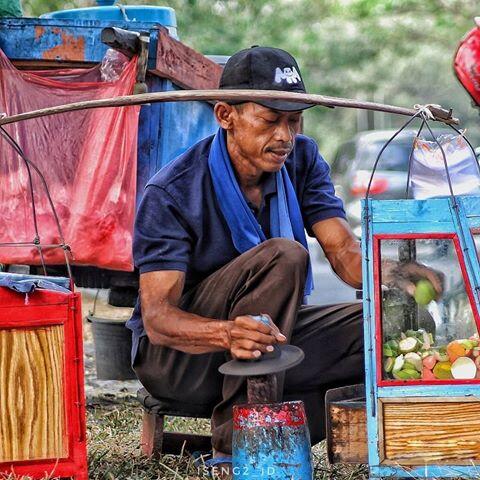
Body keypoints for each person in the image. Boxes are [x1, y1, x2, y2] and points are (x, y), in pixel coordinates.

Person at [126, 46, 442, 472]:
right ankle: (240, 443)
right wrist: (227, 335)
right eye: (270, 120)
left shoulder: (302, 159)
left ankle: (290, 422)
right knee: (285, 256)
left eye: (294, 121)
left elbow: (344, 250)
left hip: (268, 349)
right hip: (182, 363)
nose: (285, 137)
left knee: (397, 325)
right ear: (225, 115)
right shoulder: (173, 191)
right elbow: (159, 319)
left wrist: (393, 273)